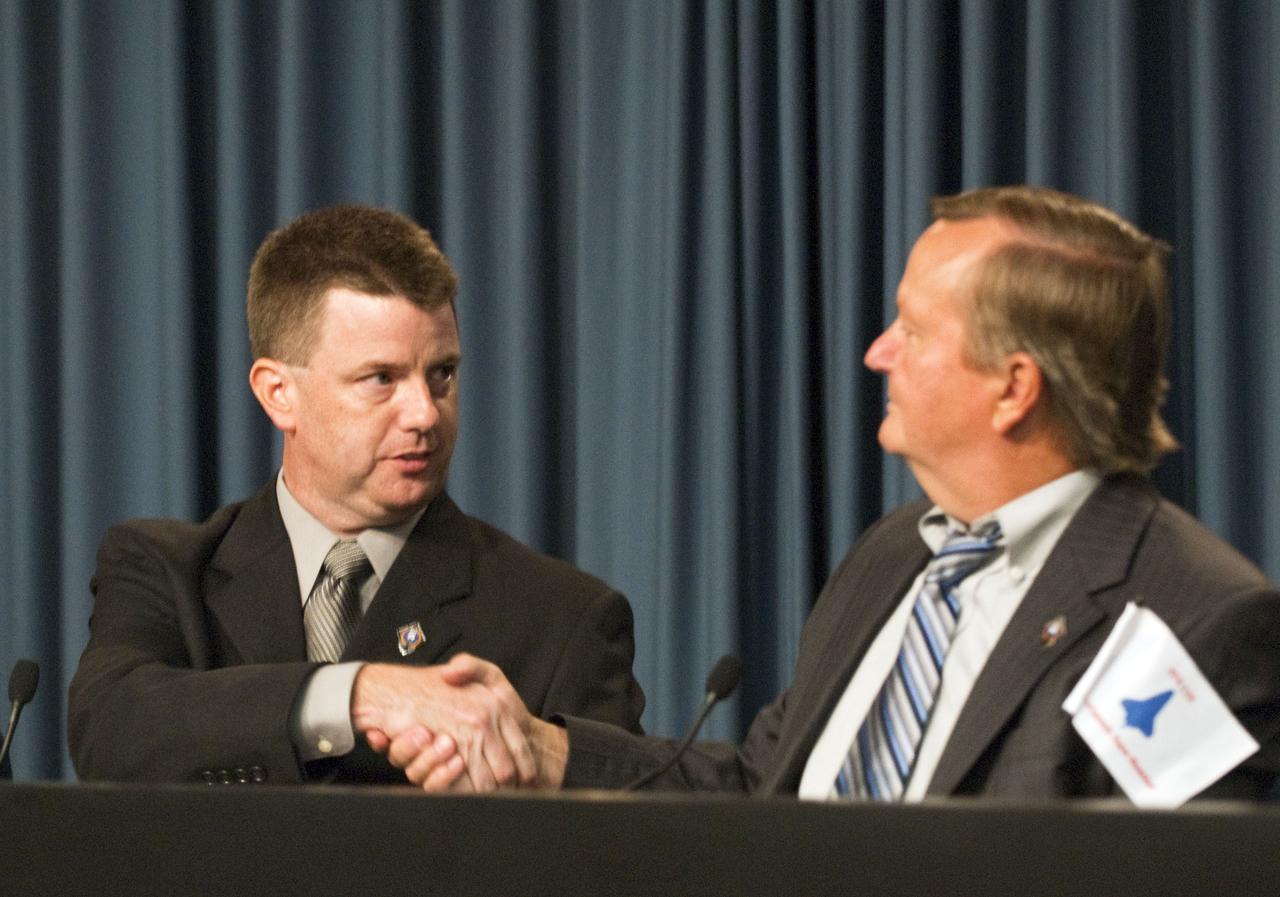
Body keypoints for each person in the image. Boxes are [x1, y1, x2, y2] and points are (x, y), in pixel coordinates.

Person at [381, 185, 1280, 799]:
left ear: (1014, 387)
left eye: (913, 329)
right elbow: (764, 788)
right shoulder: (899, 554)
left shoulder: (1196, 621)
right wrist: (544, 750)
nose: (877, 351)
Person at [68, 205, 645, 787]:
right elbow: (109, 731)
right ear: (278, 394)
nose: (425, 413)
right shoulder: (165, 570)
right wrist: (356, 694)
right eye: (382, 379)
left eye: (442, 373)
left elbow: (612, 858)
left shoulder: (562, 620)